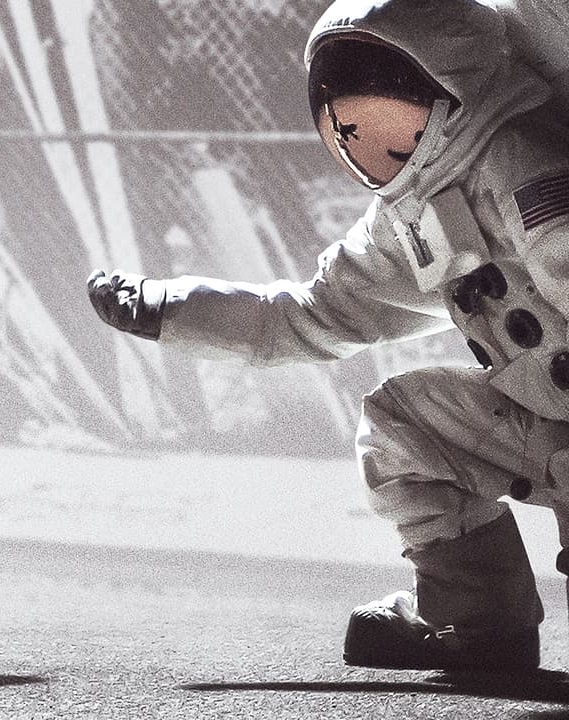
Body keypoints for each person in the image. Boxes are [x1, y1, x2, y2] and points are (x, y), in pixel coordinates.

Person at [88, 0, 569, 671]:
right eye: (347, 130)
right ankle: (480, 618)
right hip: (548, 424)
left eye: (382, 119)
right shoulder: (414, 213)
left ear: (455, 82)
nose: (364, 144)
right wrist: (172, 310)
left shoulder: (527, 166)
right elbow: (313, 315)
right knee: (405, 426)